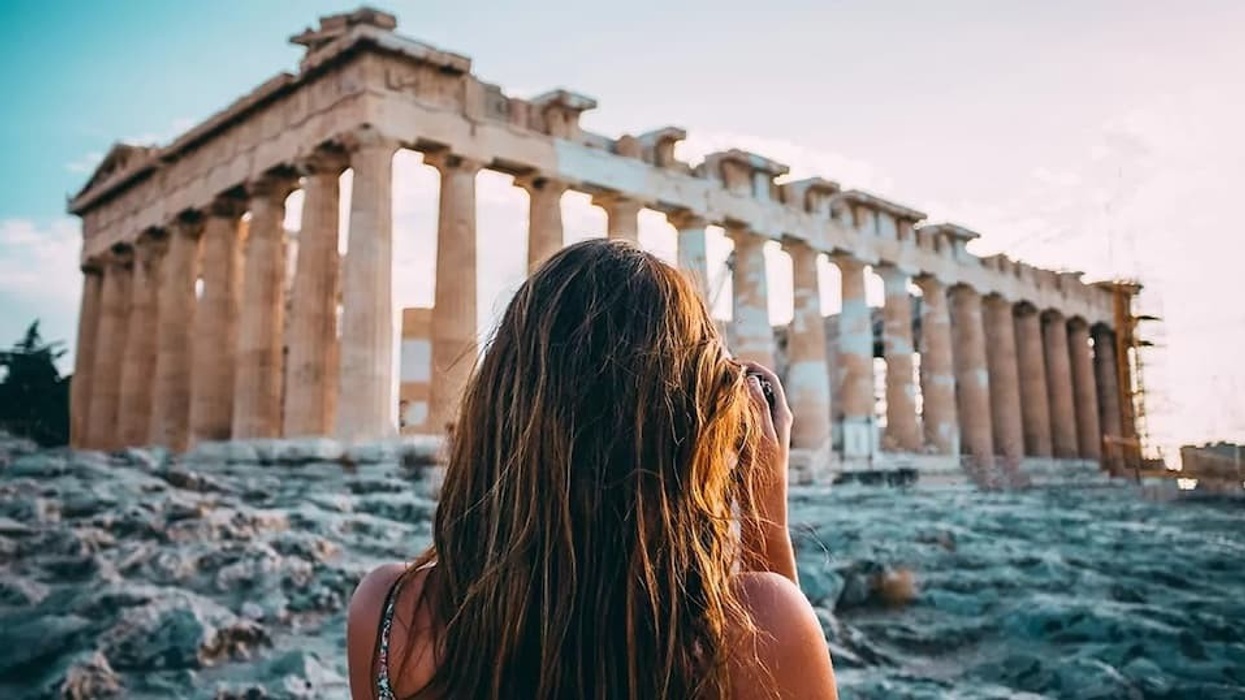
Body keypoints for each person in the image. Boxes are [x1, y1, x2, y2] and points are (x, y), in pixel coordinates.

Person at [347, 239, 838, 699]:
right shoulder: (760, 623)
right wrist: (764, 509)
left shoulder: (387, 612)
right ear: (690, 426)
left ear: (499, 402)